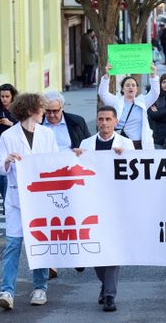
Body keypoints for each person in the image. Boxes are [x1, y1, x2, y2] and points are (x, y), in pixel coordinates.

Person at [0, 93, 58, 310]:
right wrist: (7, 161)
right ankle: (7, 292)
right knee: (13, 245)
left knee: (39, 244)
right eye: (41, 108)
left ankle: (40, 288)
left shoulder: (47, 134)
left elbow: (55, 162)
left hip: (40, 200)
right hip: (16, 200)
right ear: (31, 110)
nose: (44, 112)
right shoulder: (8, 136)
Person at [73, 106, 135, 312]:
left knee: (112, 250)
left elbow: (135, 174)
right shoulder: (86, 143)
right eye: (101, 119)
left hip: (117, 205)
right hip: (92, 204)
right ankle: (105, 284)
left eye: (108, 119)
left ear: (116, 122)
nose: (104, 123)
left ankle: (109, 295)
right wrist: (76, 156)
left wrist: (125, 157)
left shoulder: (126, 144)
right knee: (96, 250)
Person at [98, 63, 159, 150]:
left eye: (133, 85)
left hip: (140, 144)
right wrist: (107, 76)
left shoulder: (142, 101)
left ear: (137, 89)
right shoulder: (116, 101)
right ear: (122, 89)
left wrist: (153, 75)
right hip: (121, 144)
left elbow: (155, 93)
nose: (131, 87)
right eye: (127, 85)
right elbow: (103, 94)